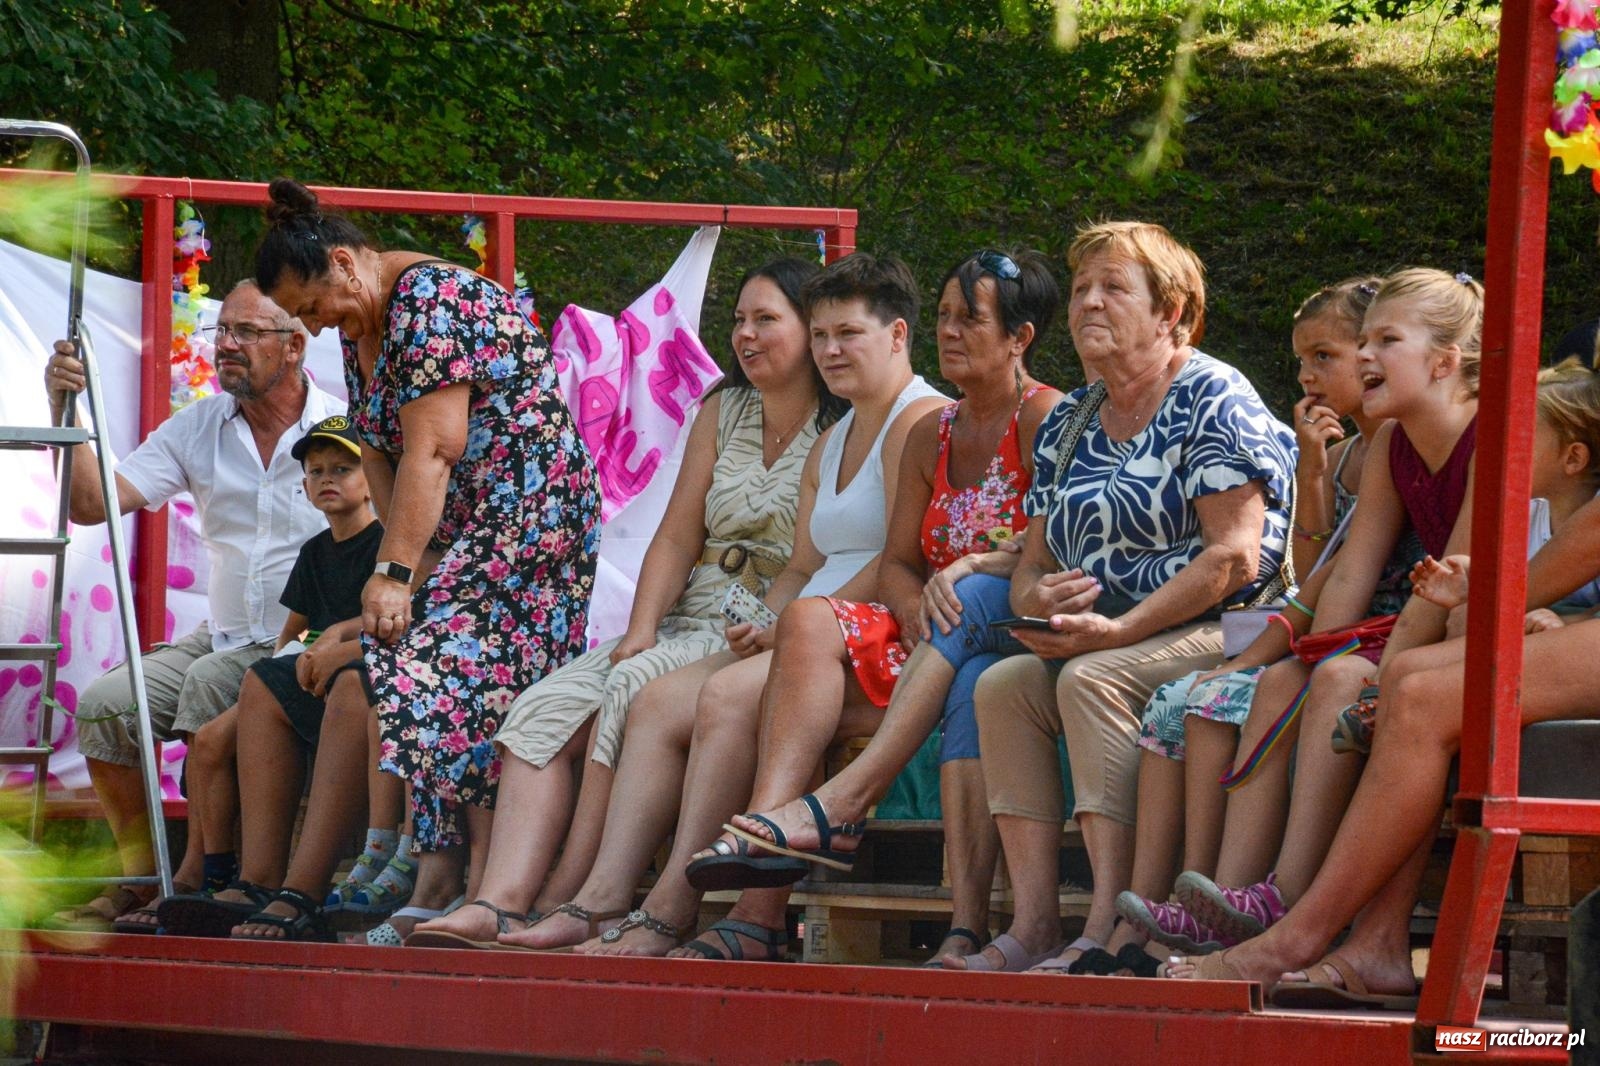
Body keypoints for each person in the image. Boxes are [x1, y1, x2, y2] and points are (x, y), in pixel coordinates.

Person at [498, 252, 945, 958]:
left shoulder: (920, 418)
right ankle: (603, 898)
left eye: (847, 334)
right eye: (822, 334)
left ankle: (673, 909)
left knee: (723, 697)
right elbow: (804, 565)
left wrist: (792, 623)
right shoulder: (836, 438)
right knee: (652, 700)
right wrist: (768, 621)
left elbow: (899, 560)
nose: (830, 349)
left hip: (876, 632)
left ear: (897, 335)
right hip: (811, 627)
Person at [201, 177, 599, 940]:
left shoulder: (429, 301)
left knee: (457, 669)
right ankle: (436, 874)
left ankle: (471, 884)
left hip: (532, 513)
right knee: (422, 667)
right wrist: (416, 562)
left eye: (314, 307)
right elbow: (381, 457)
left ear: (344, 265)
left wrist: (394, 575)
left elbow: (435, 449)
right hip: (465, 526)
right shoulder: (366, 329)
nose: (316, 326)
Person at [403, 257, 842, 947]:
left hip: (758, 624)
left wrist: (738, 630)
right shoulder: (723, 410)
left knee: (631, 687)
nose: (746, 335)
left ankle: (577, 899)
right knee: (541, 707)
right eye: (738, 320)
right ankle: (501, 901)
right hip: (689, 609)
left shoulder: (841, 423)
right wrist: (641, 626)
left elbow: (816, 561)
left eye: (766, 320)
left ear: (811, 329)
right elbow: (675, 536)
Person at [680, 249, 1064, 968]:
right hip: (934, 635)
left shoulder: (1046, 417)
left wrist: (964, 581)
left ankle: (798, 848)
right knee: (808, 625)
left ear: (1020, 337)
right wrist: (917, 610)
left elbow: (1053, 549)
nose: (949, 331)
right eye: (944, 315)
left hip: (1009, 627)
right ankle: (770, 876)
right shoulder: (934, 432)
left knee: (925, 648)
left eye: (970, 319)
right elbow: (897, 562)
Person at [948, 221, 1298, 973]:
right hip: (1108, 632)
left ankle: (1113, 922)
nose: (1088, 304)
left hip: (1233, 626)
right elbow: (1031, 562)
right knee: (1002, 686)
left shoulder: (1211, 395)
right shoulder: (1070, 420)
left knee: (1091, 679)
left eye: (1113, 288)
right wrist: (1039, 597)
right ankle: (1035, 922)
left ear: (1172, 312)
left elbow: (1234, 557)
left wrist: (1122, 629)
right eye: (1081, 289)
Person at [1153, 268, 1482, 967]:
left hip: (1471, 627)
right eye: (1361, 342)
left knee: (1336, 682)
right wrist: (1315, 651)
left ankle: (1290, 899)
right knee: (1288, 680)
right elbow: (1349, 572)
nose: (1364, 356)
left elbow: (1445, 591)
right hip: (1417, 627)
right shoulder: (1392, 444)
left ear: (1445, 361)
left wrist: (1355, 672)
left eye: (1383, 341)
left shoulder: (1490, 438)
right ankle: (1236, 900)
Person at [42, 280, 343, 931]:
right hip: (226, 636)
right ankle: (142, 878)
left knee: (208, 683)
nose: (225, 345)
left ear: (294, 346)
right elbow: (93, 504)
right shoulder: (199, 425)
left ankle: (196, 880)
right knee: (106, 707)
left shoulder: (342, 430)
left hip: (303, 640)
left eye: (246, 333)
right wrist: (66, 411)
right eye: (221, 330)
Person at [1107, 277, 1391, 966]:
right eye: (1301, 360)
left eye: (1324, 356)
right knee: (1188, 700)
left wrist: (1267, 656)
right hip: (1328, 633)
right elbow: (1313, 564)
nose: (1307, 375)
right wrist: (1315, 471)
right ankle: (1191, 900)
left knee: (1221, 696)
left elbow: (1328, 588)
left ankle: (1226, 901)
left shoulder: (1393, 447)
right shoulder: (1346, 453)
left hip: (1363, 641)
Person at [155, 415, 386, 936]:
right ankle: (225, 877)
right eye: (316, 471)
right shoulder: (314, 551)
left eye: (343, 469)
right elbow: (293, 630)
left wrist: (335, 641)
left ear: (373, 479)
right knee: (216, 734)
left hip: (360, 675)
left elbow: (396, 618)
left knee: (276, 697)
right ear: (303, 485)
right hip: (310, 675)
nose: (327, 479)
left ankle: (258, 881)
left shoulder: (385, 545)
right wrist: (286, 662)